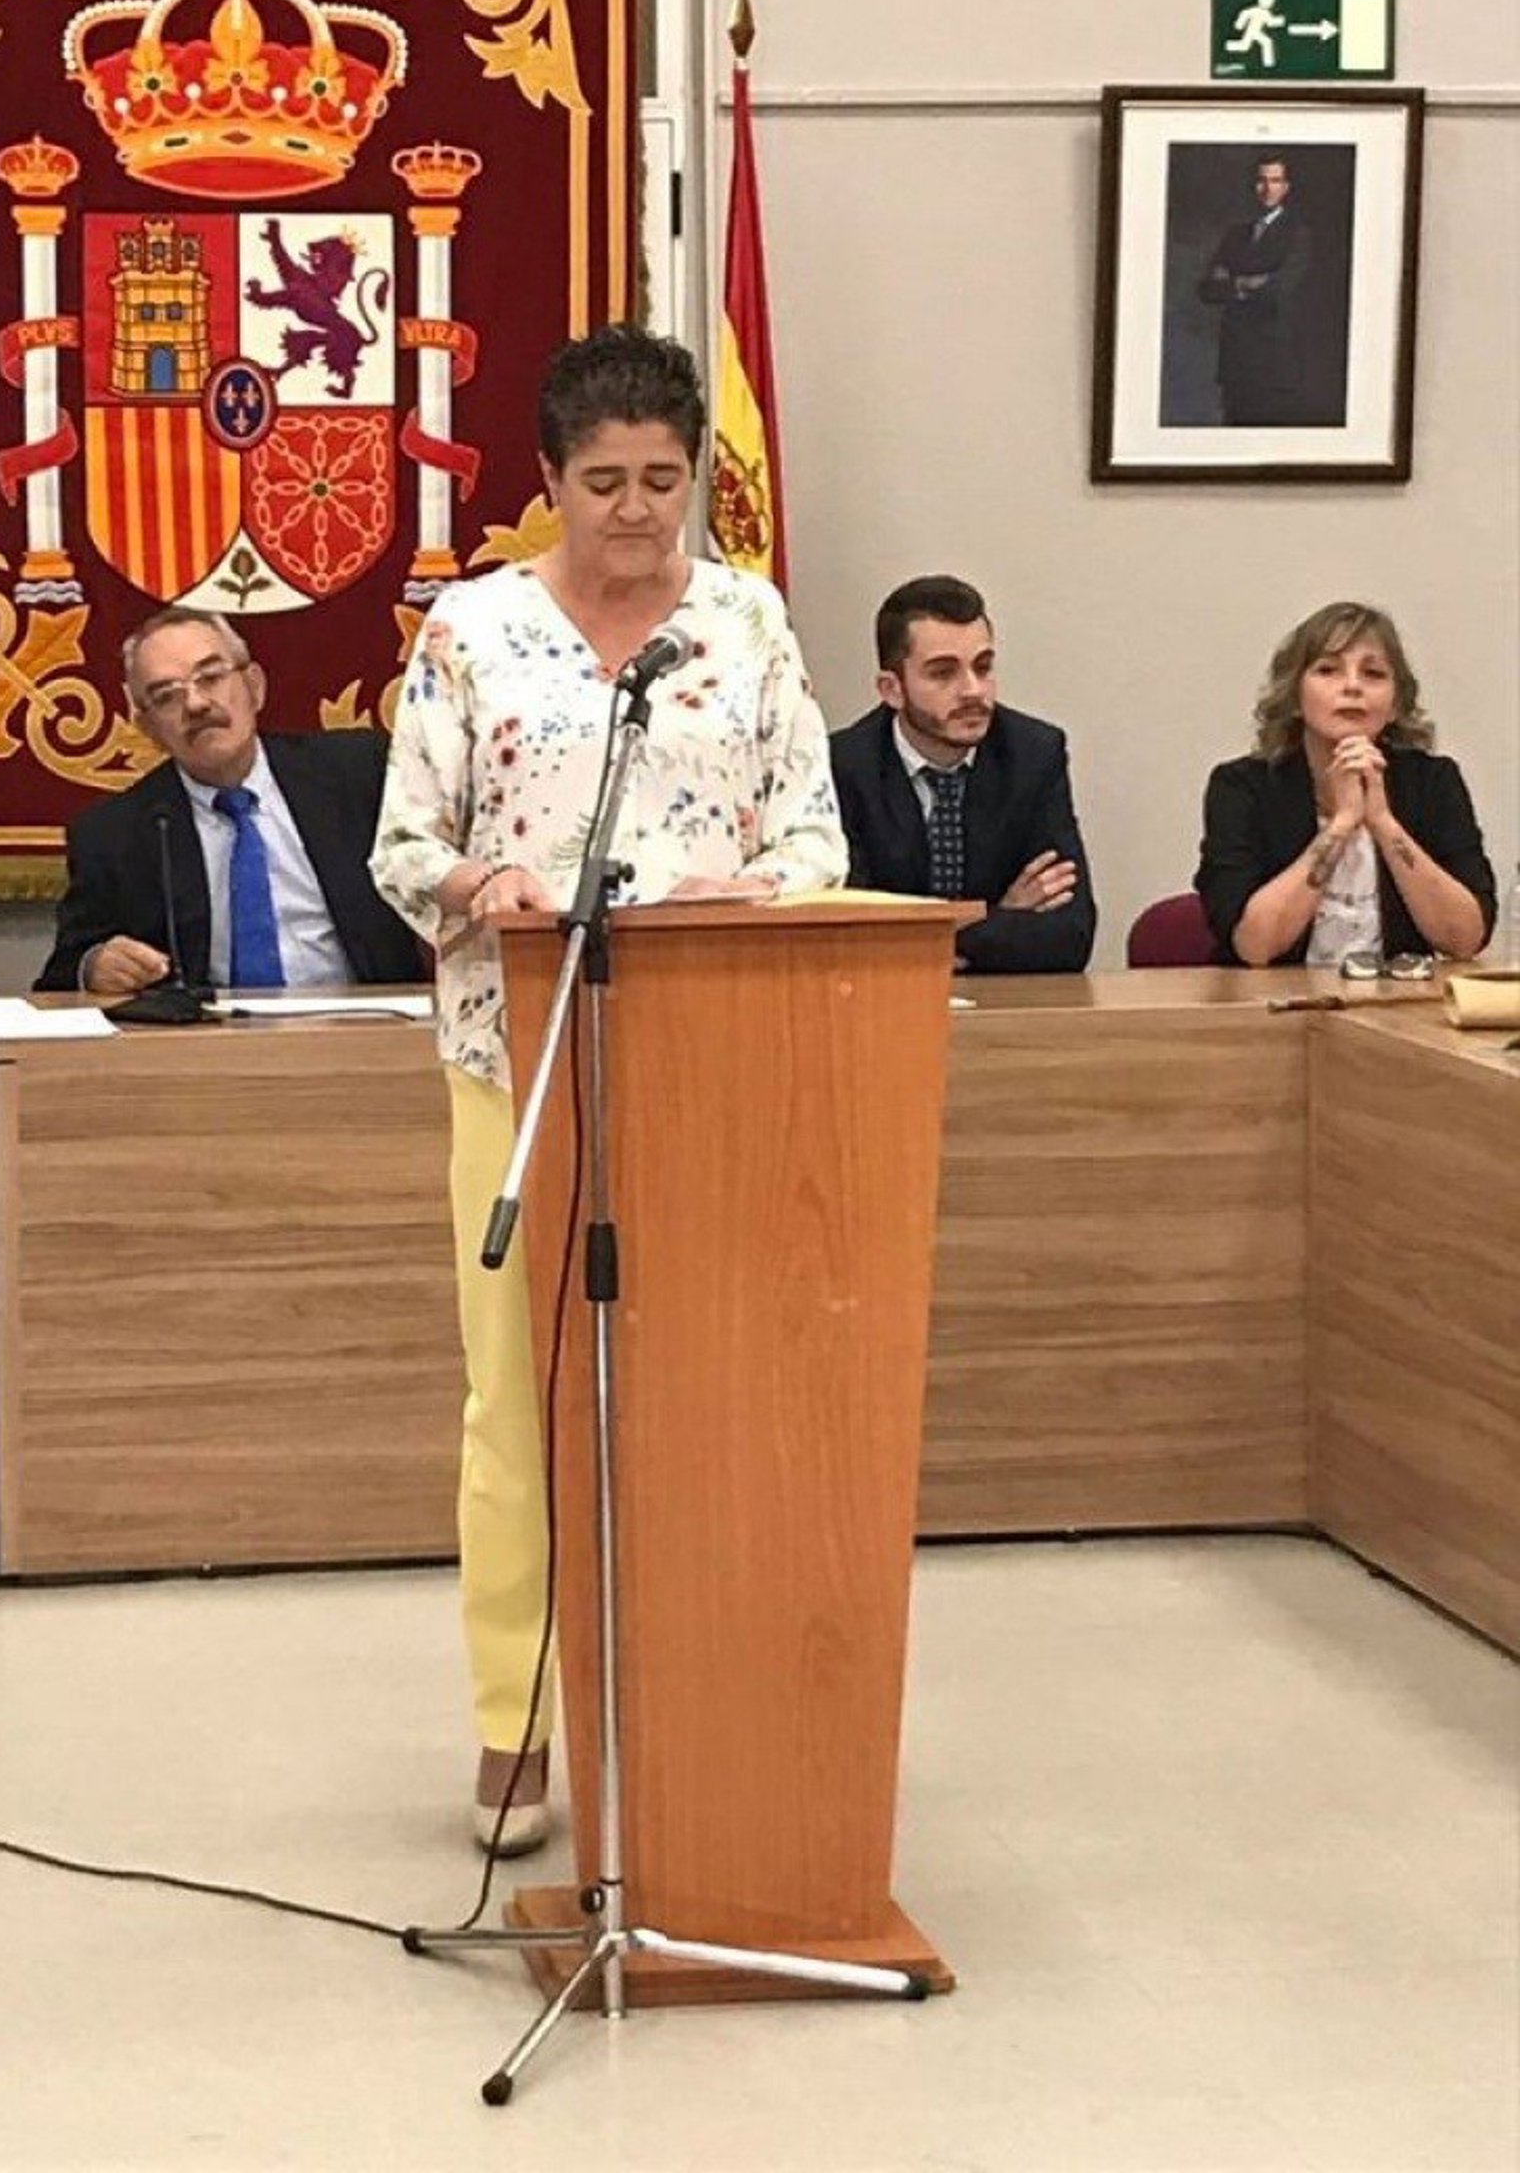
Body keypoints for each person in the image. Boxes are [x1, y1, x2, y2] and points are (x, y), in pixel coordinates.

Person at [372, 322, 847, 1854]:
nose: (637, 511)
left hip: (706, 1063)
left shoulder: (745, 623)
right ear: (549, 481)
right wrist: (485, 882)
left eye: (662, 479)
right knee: (516, 1403)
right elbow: (401, 849)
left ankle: (702, 1706)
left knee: (709, 1397)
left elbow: (816, 841)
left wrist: (750, 893)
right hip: (513, 1061)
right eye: (604, 482)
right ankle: (515, 1723)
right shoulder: (474, 629)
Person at [36, 608, 421, 995]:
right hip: (204, 1030)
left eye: (211, 678)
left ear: (255, 687)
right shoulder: (114, 834)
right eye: (166, 696)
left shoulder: (358, 775)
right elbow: (61, 975)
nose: (196, 704)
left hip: (364, 1018)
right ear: (148, 729)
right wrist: (94, 966)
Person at [1195, 601, 1496, 969]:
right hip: (1271, 1000)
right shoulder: (1242, 787)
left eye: (1373, 674)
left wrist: (1383, 822)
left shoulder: (1432, 782)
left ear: (1396, 703)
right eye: (1328, 670)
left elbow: (1465, 939)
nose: (1352, 687)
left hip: (1398, 1000)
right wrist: (1341, 824)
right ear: (1294, 696)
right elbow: (1255, 946)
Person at [829, 576, 1095, 974]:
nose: (973, 690)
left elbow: (1070, 935)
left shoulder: (1033, 755)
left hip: (1008, 1004)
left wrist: (934, 937)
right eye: (943, 673)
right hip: (880, 999)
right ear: (891, 689)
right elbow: (849, 940)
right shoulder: (843, 767)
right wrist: (999, 914)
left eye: (982, 667)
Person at [1197, 153, 1312, 426]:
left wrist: (1232, 280)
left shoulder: (1298, 234)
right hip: (1235, 358)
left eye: (1275, 180)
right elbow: (1207, 289)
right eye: (1262, 180)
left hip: (1273, 359)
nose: (1267, 188)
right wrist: (1244, 283)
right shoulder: (1235, 234)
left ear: (1286, 187)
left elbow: (1280, 288)